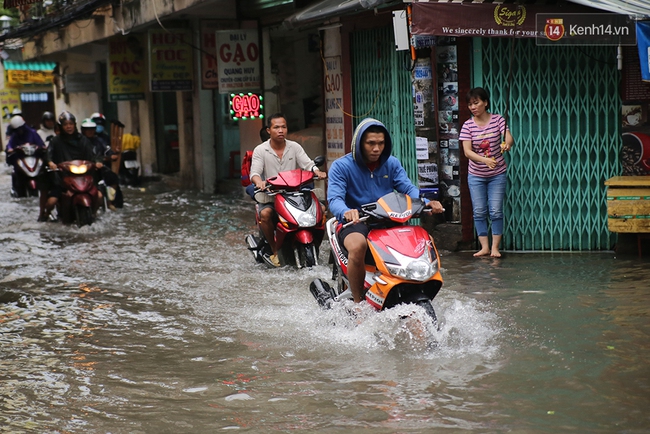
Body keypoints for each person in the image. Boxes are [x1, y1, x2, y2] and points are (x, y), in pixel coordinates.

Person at [328, 118, 445, 303]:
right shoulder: (341, 166)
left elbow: (407, 187)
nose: (376, 149)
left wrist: (426, 202)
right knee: (358, 246)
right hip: (357, 222)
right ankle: (359, 302)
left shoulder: (391, 163)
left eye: (381, 143)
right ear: (359, 144)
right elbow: (334, 199)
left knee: (423, 241)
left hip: (389, 218)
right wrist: (346, 211)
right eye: (371, 143)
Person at [249, 113, 327, 267]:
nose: (280, 130)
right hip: (272, 195)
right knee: (265, 214)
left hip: (294, 195)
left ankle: (315, 246)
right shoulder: (260, 150)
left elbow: (308, 164)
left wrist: (317, 171)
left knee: (322, 209)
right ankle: (274, 250)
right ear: (268, 130)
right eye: (276, 127)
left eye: (283, 127)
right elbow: (255, 173)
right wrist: (259, 182)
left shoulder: (295, 147)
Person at [459, 87, 514, 258]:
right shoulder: (468, 125)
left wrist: (507, 144)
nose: (473, 107)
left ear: (485, 103)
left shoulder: (498, 120)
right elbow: (467, 152)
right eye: (470, 104)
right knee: (479, 211)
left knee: (496, 210)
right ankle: (484, 247)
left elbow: (508, 137)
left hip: (497, 174)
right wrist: (485, 160)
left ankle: (495, 248)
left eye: (476, 103)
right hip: (476, 175)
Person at [42, 112, 104, 221]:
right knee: (52, 201)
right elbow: (48, 155)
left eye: (71, 124)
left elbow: (93, 154)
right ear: (61, 126)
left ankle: (94, 214)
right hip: (62, 177)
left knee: (99, 196)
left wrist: (98, 162)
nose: (69, 126)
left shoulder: (83, 140)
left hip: (83, 176)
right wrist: (51, 163)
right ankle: (45, 214)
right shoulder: (55, 141)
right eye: (65, 124)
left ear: (75, 125)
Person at [5, 116, 48, 213]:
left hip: (34, 157)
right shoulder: (14, 136)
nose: (20, 131)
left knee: (44, 170)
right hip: (21, 159)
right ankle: (18, 190)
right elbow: (10, 146)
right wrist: (11, 149)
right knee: (17, 172)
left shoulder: (32, 132)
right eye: (18, 129)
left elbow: (40, 143)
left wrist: (42, 147)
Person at [81, 118, 123, 209]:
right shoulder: (79, 142)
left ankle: (109, 201)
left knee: (113, 178)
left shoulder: (99, 141)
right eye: (87, 129)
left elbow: (107, 150)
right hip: (82, 170)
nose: (90, 131)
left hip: (98, 169)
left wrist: (112, 155)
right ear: (83, 130)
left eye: (92, 129)